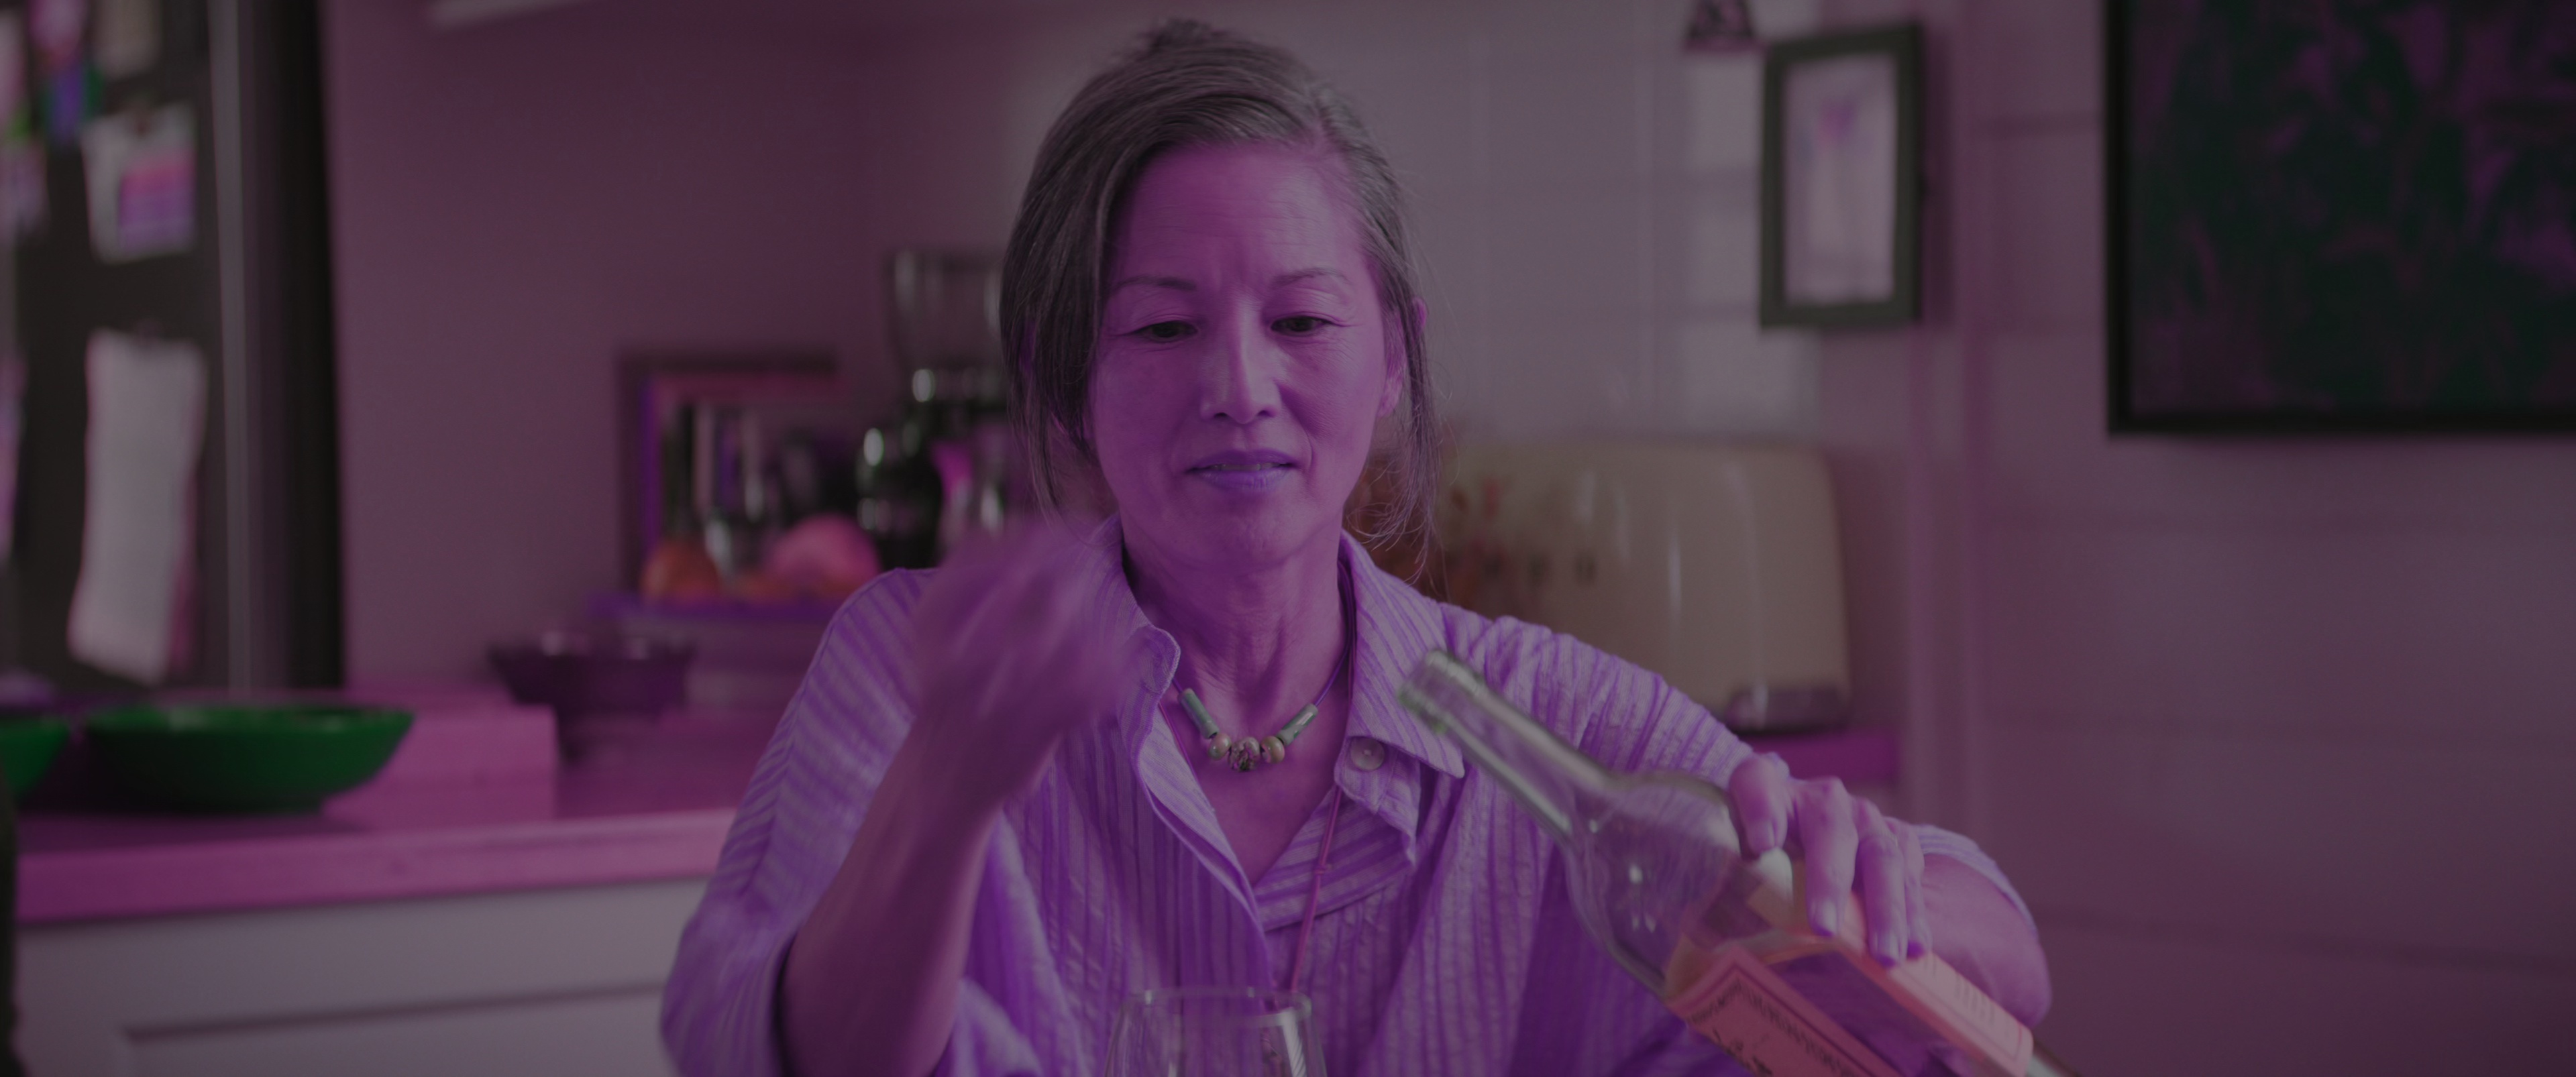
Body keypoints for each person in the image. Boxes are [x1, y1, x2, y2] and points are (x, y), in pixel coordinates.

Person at [663, 20, 2048, 1077]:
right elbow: (770, 1052)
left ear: (1393, 358)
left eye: (1303, 322)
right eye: (1163, 326)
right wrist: (953, 785)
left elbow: (2012, 963)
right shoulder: (914, 670)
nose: (1240, 386)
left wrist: (1877, 898)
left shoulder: (1536, 725)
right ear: (1065, 374)